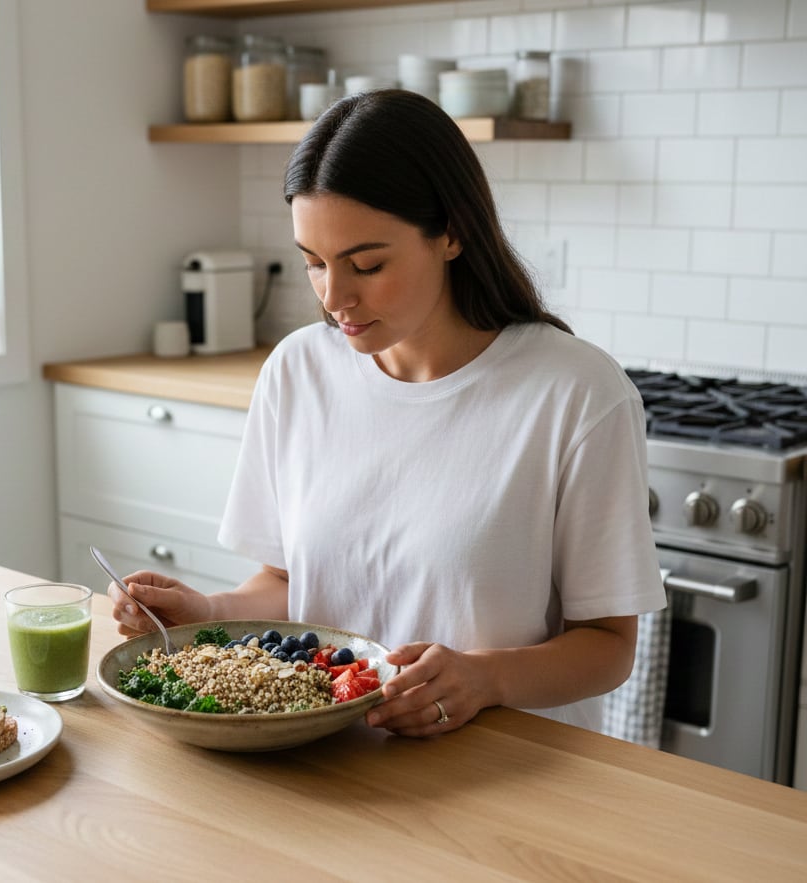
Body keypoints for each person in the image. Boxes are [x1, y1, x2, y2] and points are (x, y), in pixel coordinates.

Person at [110, 89, 665, 736]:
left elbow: (607, 644)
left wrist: (487, 677)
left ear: (453, 232)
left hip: (505, 779)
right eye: (313, 263)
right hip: (326, 762)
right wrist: (207, 609)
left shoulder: (577, 394)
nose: (335, 297)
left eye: (366, 264)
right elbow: (295, 583)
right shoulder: (297, 372)